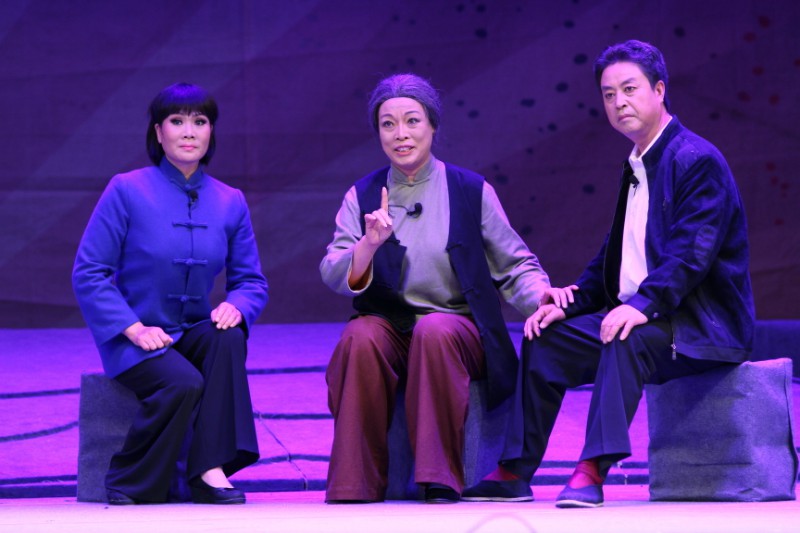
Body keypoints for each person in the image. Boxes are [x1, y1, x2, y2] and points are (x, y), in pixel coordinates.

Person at [462, 40, 755, 508]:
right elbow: (614, 257)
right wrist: (568, 303)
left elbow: (692, 253)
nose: (619, 102)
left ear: (659, 90)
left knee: (623, 334)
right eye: (608, 94)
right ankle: (514, 470)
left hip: (699, 326)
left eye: (629, 89)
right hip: (650, 317)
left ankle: (592, 468)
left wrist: (641, 305)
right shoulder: (638, 163)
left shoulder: (695, 160)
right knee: (545, 336)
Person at [320, 73, 551, 504]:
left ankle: (439, 477)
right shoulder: (363, 194)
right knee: (359, 336)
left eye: (412, 121)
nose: (401, 134)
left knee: (434, 330)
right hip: (391, 326)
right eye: (388, 124)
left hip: (457, 329)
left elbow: (515, 264)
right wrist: (368, 243)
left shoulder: (469, 190)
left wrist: (541, 296)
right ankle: (355, 484)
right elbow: (334, 270)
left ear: (432, 126)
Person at [72, 83, 268, 505]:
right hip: (135, 337)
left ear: (211, 132)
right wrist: (133, 328)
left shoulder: (230, 201)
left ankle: (210, 470)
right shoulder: (126, 189)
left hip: (193, 330)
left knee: (227, 337)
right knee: (183, 382)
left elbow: (251, 281)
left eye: (200, 122)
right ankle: (128, 480)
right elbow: (89, 272)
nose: (189, 131)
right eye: (177, 121)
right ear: (158, 133)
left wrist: (237, 306)